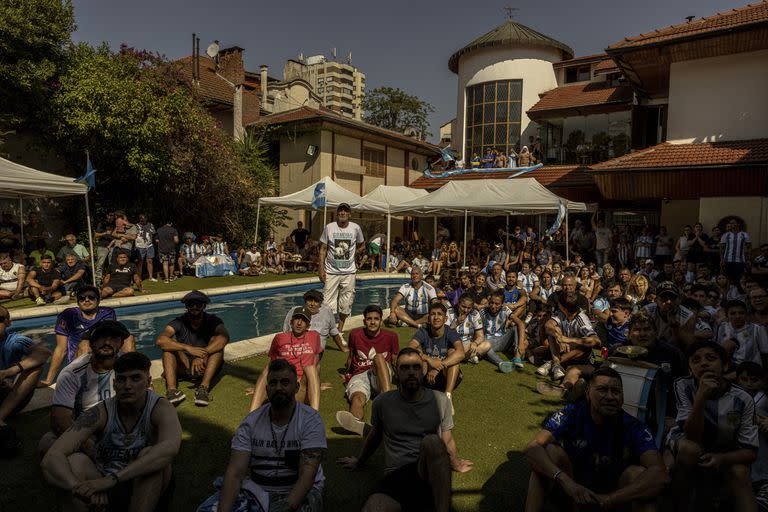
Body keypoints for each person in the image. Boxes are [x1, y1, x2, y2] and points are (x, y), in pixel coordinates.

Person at [41, 352, 181, 512]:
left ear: (148, 382)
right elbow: (51, 457)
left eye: (135, 378)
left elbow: (170, 448)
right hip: (102, 480)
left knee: (154, 458)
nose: (127, 386)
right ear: (114, 384)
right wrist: (80, 488)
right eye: (121, 379)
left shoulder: (160, 407)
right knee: (76, 461)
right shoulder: (100, 412)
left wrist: (112, 480)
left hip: (142, 483)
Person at [337, 347, 473, 512]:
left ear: (423, 369)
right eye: (405, 367)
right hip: (397, 475)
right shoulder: (382, 402)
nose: (411, 372)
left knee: (432, 441)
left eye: (416, 367)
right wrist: (359, 461)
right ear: (396, 371)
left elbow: (447, 439)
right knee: (373, 508)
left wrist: (456, 464)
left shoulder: (440, 400)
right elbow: (375, 435)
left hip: (428, 472)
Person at [525, 366, 668, 511]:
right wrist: (565, 480)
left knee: (639, 475)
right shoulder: (571, 413)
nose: (610, 397)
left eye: (616, 391)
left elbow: (660, 476)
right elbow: (533, 448)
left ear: (623, 397)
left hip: (613, 499)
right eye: (602, 390)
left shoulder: (635, 427)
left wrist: (608, 499)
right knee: (551, 452)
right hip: (571, 492)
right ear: (587, 393)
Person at [200, 358, 326, 512]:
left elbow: (307, 476)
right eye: (273, 383)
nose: (278, 387)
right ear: (266, 389)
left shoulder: (311, 419)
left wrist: (285, 508)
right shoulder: (250, 422)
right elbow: (235, 474)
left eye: (285, 382)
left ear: (297, 387)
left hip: (297, 490)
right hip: (257, 491)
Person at [667, 340, 759, 511]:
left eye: (711, 358)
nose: (703, 363)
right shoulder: (683, 385)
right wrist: (701, 396)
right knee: (689, 449)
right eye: (696, 360)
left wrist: (721, 458)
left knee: (741, 472)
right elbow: (692, 436)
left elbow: (750, 451)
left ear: (725, 366)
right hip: (687, 442)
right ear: (690, 370)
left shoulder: (743, 399)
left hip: (724, 451)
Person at [38, 320, 130, 455]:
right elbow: (60, 419)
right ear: (91, 343)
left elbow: (147, 401)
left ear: (121, 343)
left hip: (123, 424)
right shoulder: (72, 373)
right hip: (86, 429)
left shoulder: (130, 365)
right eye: (101, 337)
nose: (107, 342)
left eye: (114, 338)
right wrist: (90, 447)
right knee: (47, 442)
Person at [156, 290, 229, 407]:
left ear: (204, 306)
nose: (194, 307)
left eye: (198, 304)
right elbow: (161, 340)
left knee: (217, 347)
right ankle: (172, 391)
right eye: (191, 304)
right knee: (168, 348)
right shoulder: (178, 321)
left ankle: (203, 388)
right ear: (186, 306)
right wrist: (188, 348)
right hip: (185, 366)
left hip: (205, 365)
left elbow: (224, 338)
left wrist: (202, 355)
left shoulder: (213, 320)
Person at [335, 305, 399, 436]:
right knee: (357, 398)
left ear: (381, 321)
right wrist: (348, 374)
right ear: (364, 321)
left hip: (381, 373)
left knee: (379, 358)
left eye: (376, 319)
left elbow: (394, 361)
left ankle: (388, 405)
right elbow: (351, 356)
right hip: (360, 374)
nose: (373, 322)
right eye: (369, 319)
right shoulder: (355, 334)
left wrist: (402, 379)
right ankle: (356, 423)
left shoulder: (391, 336)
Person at [0, 305, 51, 456]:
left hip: (9, 397)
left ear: (9, 322)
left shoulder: (15, 340)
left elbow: (43, 353)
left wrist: (9, 372)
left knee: (35, 367)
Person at [250, 307, 321, 412]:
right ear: (291, 322)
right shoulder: (280, 338)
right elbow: (273, 364)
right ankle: (252, 413)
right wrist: (260, 389)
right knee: (269, 367)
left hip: (301, 386)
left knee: (310, 368)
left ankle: (315, 414)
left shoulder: (314, 336)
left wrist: (318, 384)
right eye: (297, 319)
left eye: (304, 320)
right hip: (283, 383)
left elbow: (317, 363)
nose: (299, 323)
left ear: (308, 325)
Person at [407, 302, 464, 409]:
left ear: (445, 318)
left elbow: (461, 353)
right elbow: (410, 347)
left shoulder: (450, 332)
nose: (436, 317)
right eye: (433, 314)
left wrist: (438, 367)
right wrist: (428, 359)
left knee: (453, 353)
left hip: (446, 376)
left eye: (439, 314)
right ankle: (418, 391)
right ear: (428, 318)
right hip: (427, 375)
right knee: (418, 352)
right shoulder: (423, 331)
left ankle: (448, 397)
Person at [318, 202, 365, 333]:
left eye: (345, 211)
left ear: (349, 214)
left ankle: (339, 329)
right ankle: (329, 329)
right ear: (337, 213)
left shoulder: (355, 228)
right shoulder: (329, 227)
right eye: (340, 210)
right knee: (327, 304)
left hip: (349, 272)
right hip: (331, 272)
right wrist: (321, 268)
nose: (342, 213)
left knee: (346, 304)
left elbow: (362, 245)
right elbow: (322, 249)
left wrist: (355, 253)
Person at [734, 362, 768, 511]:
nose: (749, 384)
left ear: (763, 382)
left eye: (754, 380)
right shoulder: (731, 396)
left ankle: (763, 484)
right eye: (744, 379)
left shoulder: (763, 398)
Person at [283, 289, 348, 355]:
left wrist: (342, 348)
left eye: (316, 301)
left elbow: (333, 331)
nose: (312, 304)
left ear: (320, 304)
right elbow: (285, 332)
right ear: (305, 302)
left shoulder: (326, 312)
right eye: (310, 300)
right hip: (296, 350)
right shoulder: (294, 312)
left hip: (317, 353)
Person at [477, 290, 526, 372]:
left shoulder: (505, 310)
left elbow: (520, 323)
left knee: (515, 328)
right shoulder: (483, 312)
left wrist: (521, 344)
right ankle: (502, 363)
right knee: (486, 347)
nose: (493, 306)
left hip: (502, 340)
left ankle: (517, 357)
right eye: (491, 303)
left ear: (502, 303)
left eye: (497, 304)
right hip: (487, 341)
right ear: (489, 301)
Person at [643, 281, 700, 349]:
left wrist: (674, 327)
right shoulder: (647, 311)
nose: (669, 302)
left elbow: (689, 344)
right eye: (664, 298)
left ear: (679, 300)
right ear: (656, 300)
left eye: (672, 297)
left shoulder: (688, 316)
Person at [717, 299, 768, 370]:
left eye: (741, 313)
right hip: (727, 370)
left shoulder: (757, 329)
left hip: (751, 371)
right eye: (733, 313)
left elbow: (765, 352)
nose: (737, 316)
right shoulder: (722, 328)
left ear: (746, 314)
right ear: (727, 315)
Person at [721, 218, 752, 284]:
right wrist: (721, 259)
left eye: (733, 223)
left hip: (740, 261)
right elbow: (722, 248)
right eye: (730, 223)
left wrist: (748, 259)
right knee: (728, 279)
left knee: (739, 279)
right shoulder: (726, 235)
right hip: (728, 260)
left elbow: (749, 247)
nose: (732, 224)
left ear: (738, 224)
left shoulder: (744, 234)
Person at [93, 211, 115, 285]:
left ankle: (111, 280)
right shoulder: (102, 223)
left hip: (112, 246)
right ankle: (98, 282)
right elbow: (96, 235)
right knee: (100, 264)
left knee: (111, 264)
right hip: (102, 246)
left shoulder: (114, 224)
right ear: (107, 215)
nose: (112, 217)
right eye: (110, 215)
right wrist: (105, 233)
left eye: (113, 215)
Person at [134, 213, 156, 282]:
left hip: (149, 246)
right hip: (140, 246)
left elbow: (154, 234)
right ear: (139, 219)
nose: (142, 220)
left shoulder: (150, 225)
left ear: (146, 219)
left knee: (150, 261)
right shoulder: (136, 226)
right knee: (140, 262)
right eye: (141, 219)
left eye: (144, 219)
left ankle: (150, 277)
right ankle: (139, 278)